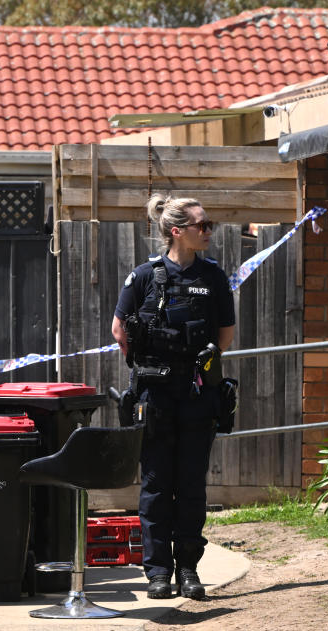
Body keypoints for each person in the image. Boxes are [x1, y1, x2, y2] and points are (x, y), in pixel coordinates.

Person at [111, 194, 235, 600]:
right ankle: (158, 573)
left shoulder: (213, 277)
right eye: (203, 225)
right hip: (155, 397)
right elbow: (119, 330)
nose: (209, 231)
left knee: (191, 485)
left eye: (209, 223)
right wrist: (148, 364)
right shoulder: (145, 276)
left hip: (197, 396)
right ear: (177, 231)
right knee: (156, 485)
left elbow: (224, 336)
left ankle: (188, 570)